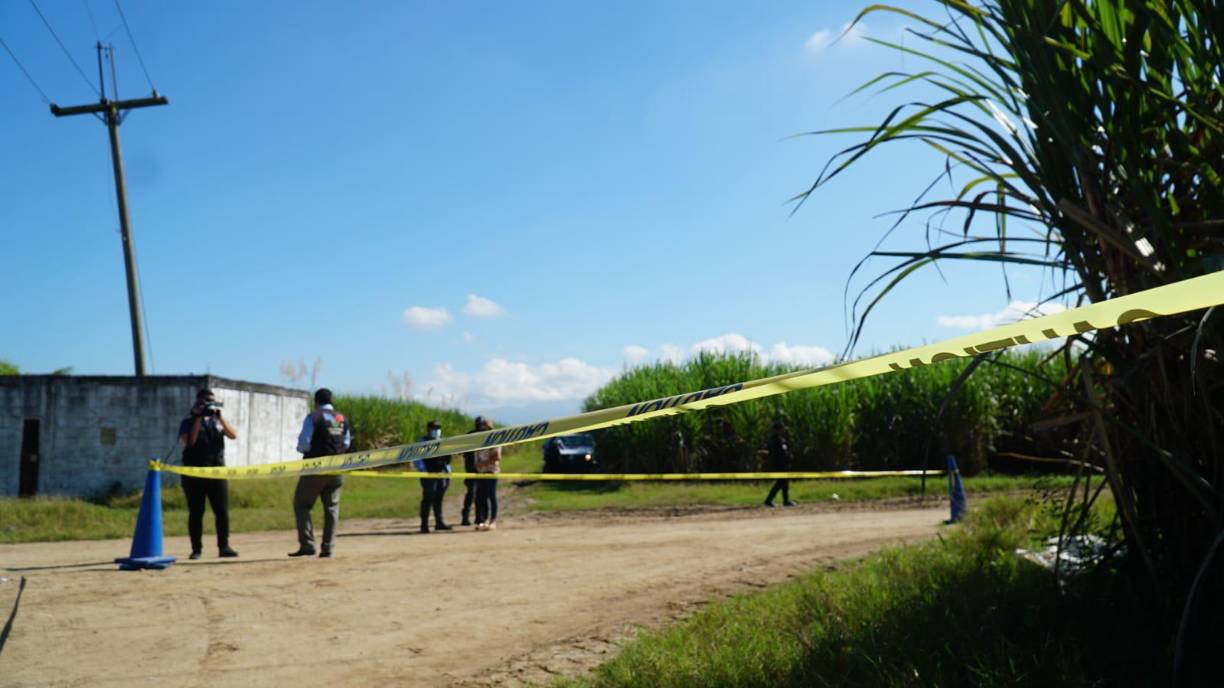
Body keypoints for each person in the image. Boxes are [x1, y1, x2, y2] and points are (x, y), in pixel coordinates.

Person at [289, 388, 351, 558]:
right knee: (332, 508)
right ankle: (328, 547)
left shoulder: (314, 417)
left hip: (315, 467)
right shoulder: (341, 418)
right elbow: (346, 443)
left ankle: (308, 544)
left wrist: (303, 449)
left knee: (302, 505)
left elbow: (304, 444)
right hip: (338, 467)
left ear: (316, 401)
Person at [178, 389, 239, 560]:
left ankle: (224, 546)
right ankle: (196, 549)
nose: (209, 404)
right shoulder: (188, 422)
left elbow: (233, 435)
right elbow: (190, 441)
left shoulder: (217, 422)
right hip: (194, 474)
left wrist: (219, 417)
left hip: (217, 472)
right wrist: (197, 417)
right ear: (198, 403)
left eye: (211, 401)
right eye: (206, 401)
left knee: (222, 512)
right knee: (196, 512)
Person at [417, 420, 452, 533]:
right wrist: (423, 471)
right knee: (428, 498)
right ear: (428, 429)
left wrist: (448, 473)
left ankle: (439, 522)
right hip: (428, 474)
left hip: (441, 473)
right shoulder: (422, 442)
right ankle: (424, 525)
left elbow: (446, 460)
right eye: (434, 428)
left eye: (438, 428)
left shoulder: (442, 442)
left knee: (439, 499)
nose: (436, 431)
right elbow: (418, 459)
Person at [472, 416, 501, 531]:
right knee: (481, 497)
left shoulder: (496, 439)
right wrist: (477, 465)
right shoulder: (478, 440)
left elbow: (497, 457)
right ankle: (483, 520)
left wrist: (483, 464)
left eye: (485, 426)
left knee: (491, 496)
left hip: (491, 471)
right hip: (481, 472)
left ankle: (493, 521)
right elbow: (476, 455)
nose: (483, 428)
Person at [764, 420, 797, 507]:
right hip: (780, 464)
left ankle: (785, 500)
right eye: (782, 429)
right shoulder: (777, 440)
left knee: (784, 482)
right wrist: (788, 456)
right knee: (780, 482)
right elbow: (781, 452)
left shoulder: (775, 439)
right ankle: (769, 500)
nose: (783, 430)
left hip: (780, 463)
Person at [460, 416, 483, 526]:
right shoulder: (470, 435)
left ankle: (479, 517)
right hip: (471, 470)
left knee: (479, 494)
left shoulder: (485, 436)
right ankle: (466, 517)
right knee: (472, 494)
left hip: (482, 470)